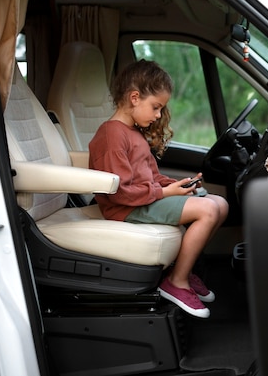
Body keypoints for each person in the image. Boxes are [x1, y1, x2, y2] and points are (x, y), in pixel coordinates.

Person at [88, 59, 229, 318]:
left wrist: (177, 185)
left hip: (143, 200)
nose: (157, 115)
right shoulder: (111, 135)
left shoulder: (133, 132)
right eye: (155, 107)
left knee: (220, 204)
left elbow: (151, 176)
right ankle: (177, 281)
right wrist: (165, 193)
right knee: (207, 210)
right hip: (125, 209)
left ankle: (185, 271)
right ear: (134, 98)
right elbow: (118, 191)